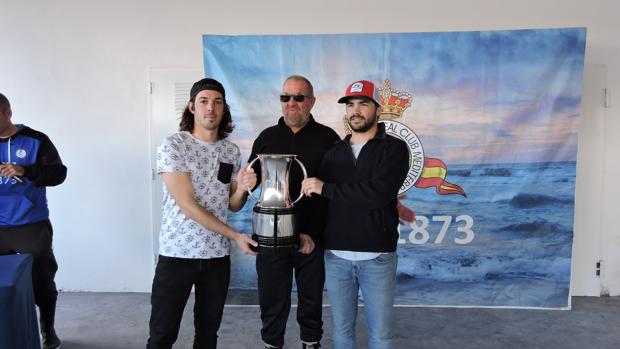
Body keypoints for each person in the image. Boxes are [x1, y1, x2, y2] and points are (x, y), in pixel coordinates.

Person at [146, 78, 258, 349]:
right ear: (192, 107)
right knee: (162, 334)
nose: (211, 108)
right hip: (177, 254)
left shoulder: (230, 151)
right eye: (204, 101)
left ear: (223, 109)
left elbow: (231, 204)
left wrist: (242, 188)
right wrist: (235, 235)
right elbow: (187, 204)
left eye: (217, 102)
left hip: (216, 257)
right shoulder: (174, 145)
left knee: (208, 335)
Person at [301, 80, 409, 349]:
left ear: (377, 109)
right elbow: (321, 204)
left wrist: (326, 187)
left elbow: (377, 195)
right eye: (350, 105)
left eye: (363, 103)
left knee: (381, 335)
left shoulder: (393, 149)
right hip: (336, 257)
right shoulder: (334, 153)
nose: (356, 110)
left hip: (378, 257)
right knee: (342, 332)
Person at [248, 75, 340, 349]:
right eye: (285, 97)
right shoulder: (265, 138)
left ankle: (310, 343)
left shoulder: (329, 138)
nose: (292, 103)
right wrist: (245, 184)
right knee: (271, 298)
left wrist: (312, 233)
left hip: (312, 237)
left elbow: (334, 192)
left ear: (311, 102)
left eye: (299, 97)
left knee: (311, 299)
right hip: (270, 238)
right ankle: (271, 343)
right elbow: (250, 184)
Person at [0, 92, 67, 349]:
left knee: (41, 281)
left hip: (30, 224)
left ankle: (47, 330)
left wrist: (25, 171)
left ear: (8, 113)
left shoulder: (36, 140)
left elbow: (59, 173)